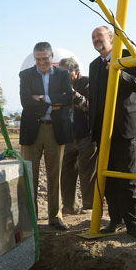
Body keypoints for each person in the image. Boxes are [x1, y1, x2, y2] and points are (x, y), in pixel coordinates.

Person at [88, 26, 136, 240]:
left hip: (125, 130)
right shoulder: (94, 65)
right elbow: (94, 98)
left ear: (110, 38)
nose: (95, 39)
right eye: (93, 37)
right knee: (108, 179)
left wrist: (119, 73)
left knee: (127, 178)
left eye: (99, 36)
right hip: (103, 131)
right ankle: (115, 220)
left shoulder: (127, 55)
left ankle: (133, 224)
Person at [19, 42, 74, 231]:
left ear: (52, 58)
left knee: (55, 175)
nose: (41, 62)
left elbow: (68, 98)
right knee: (29, 176)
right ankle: (30, 218)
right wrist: (54, 101)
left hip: (55, 130)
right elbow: (26, 102)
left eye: (45, 59)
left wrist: (42, 98)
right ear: (34, 58)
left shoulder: (63, 74)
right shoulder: (25, 75)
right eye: (38, 59)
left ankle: (55, 217)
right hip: (32, 130)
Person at [58, 57, 97, 215]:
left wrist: (73, 93)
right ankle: (70, 206)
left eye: (65, 73)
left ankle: (89, 206)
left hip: (86, 134)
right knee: (66, 172)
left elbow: (90, 106)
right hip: (68, 135)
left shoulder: (88, 83)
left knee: (88, 171)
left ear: (76, 72)